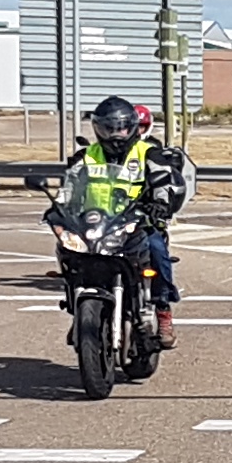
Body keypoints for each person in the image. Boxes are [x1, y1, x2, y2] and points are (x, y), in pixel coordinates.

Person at [62, 94, 189, 344]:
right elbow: (68, 188)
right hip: (96, 225)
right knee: (68, 251)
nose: (116, 135)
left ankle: (162, 309)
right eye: (109, 129)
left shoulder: (148, 153)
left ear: (131, 127)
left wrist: (161, 204)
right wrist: (60, 208)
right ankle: (79, 313)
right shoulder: (86, 156)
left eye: (121, 128)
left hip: (139, 222)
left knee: (157, 251)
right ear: (98, 129)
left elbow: (165, 179)